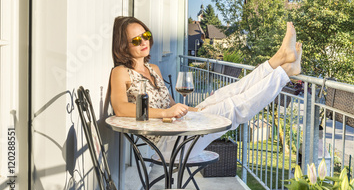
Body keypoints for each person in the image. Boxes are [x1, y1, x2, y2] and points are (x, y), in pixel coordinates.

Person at [110, 16, 302, 158]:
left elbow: (169, 104)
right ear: (124, 46)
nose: (144, 42)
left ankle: (281, 60)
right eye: (136, 40)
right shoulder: (121, 72)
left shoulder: (153, 69)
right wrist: (166, 114)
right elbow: (120, 108)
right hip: (167, 145)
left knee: (229, 92)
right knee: (232, 107)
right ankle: (285, 72)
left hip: (178, 129)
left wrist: (197, 109)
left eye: (145, 35)